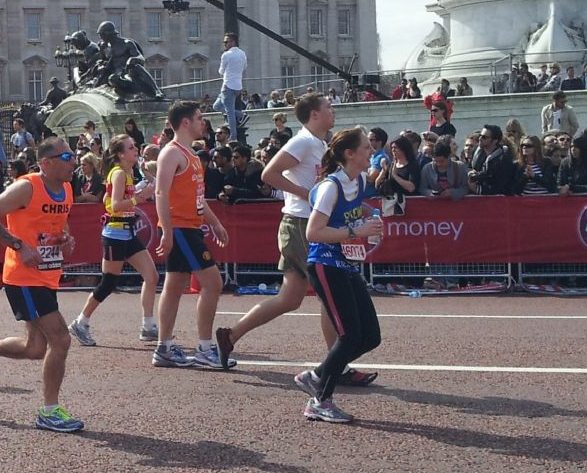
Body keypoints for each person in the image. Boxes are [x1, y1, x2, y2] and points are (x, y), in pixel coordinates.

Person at [218, 93, 377, 387]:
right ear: (314, 114)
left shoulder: (319, 144)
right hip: (303, 223)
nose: (333, 111)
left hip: (305, 222)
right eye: (328, 107)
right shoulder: (302, 142)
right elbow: (269, 173)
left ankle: (232, 334)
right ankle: (335, 366)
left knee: (290, 298)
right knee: (332, 293)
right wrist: (309, 195)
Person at [0, 137, 83, 432]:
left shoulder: (66, 189)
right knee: (61, 339)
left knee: (35, 348)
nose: (74, 162)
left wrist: (65, 239)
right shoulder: (27, 186)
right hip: (24, 278)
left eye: (73, 155)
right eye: (67, 157)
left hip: (46, 276)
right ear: (47, 162)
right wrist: (19, 246)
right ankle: (49, 411)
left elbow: (56, 225)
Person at [297, 127, 384, 423]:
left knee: (370, 336)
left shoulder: (358, 180)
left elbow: (352, 210)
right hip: (324, 263)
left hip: (345, 262)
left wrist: (370, 220)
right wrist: (355, 231)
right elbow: (313, 232)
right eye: (365, 148)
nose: (370, 152)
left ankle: (318, 376)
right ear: (350, 154)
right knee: (349, 336)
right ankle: (321, 400)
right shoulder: (329, 187)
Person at [149, 100, 229, 369]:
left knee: (174, 286)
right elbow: (160, 193)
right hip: (181, 227)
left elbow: (197, 198)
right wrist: (167, 231)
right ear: (185, 122)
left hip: (189, 225)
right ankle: (205, 348)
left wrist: (215, 222)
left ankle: (164, 347)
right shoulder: (171, 153)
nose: (202, 122)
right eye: (198, 118)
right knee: (212, 283)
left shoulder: (191, 155)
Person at [68, 134, 160, 347]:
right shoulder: (118, 174)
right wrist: (141, 195)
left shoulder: (126, 174)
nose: (135, 149)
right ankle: (81, 322)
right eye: (131, 147)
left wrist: (142, 187)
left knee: (152, 275)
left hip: (127, 232)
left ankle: (148, 325)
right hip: (115, 234)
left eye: (134, 146)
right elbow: (116, 205)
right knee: (108, 283)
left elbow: (114, 199)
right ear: (120, 154)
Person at [218, 33, 249, 144]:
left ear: (232, 42)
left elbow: (221, 71)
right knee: (217, 106)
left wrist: (226, 71)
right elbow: (245, 67)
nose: (224, 44)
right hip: (238, 86)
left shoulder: (226, 55)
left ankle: (233, 136)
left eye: (226, 42)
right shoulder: (242, 54)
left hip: (228, 85)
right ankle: (240, 114)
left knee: (229, 111)